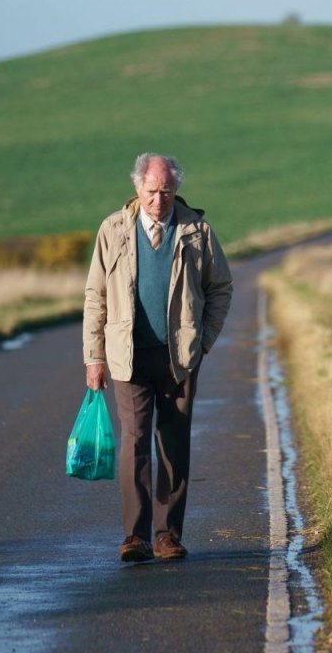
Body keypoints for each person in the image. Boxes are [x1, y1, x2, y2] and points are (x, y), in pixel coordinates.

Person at [83, 153, 233, 563]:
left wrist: (203, 341)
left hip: (179, 358)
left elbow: (220, 288)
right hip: (128, 357)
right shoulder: (113, 229)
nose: (158, 200)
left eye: (166, 191)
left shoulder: (197, 231)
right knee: (134, 444)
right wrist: (93, 358)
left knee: (173, 445)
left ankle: (167, 535)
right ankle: (135, 537)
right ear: (137, 189)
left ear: (175, 190)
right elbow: (95, 296)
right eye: (151, 191)